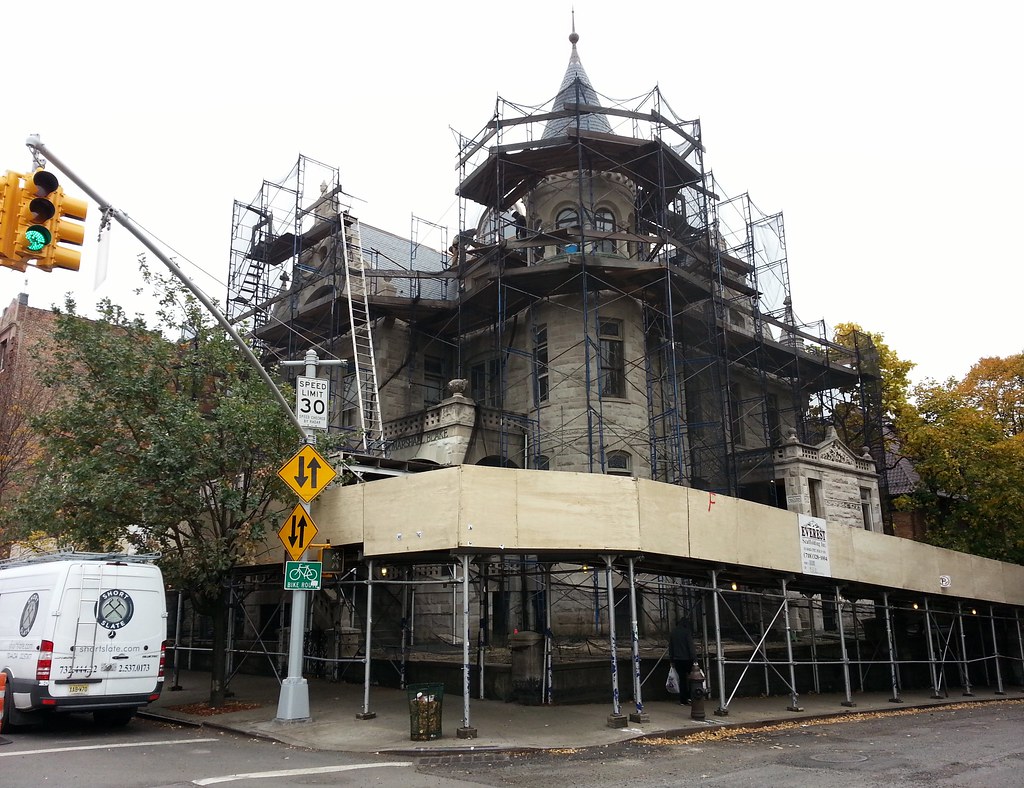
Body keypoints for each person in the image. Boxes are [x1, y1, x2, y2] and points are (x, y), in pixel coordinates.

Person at [669, 617, 696, 705]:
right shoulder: (687, 632)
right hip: (687, 659)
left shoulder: (673, 632)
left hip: (677, 659)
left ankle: (683, 699)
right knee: (693, 679)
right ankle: (691, 696)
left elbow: (671, 647)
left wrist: (671, 660)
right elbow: (690, 646)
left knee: (682, 679)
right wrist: (694, 659)